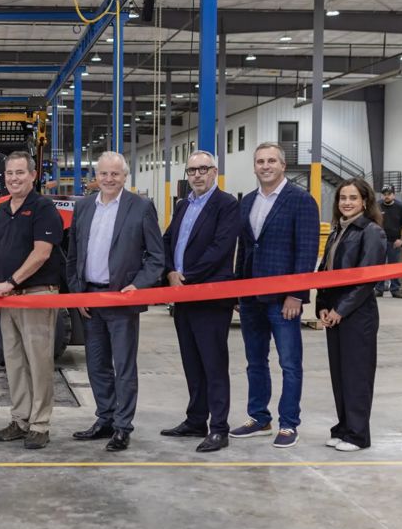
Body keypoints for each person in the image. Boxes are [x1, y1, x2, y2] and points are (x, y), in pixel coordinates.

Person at [66, 151, 164, 452]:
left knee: (123, 366)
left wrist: (138, 285)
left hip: (121, 301)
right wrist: (77, 293)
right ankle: (104, 418)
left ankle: (123, 426)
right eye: (104, 174)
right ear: (95, 177)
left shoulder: (141, 207)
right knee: (96, 365)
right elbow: (72, 257)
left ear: (125, 177)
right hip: (91, 299)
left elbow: (157, 258)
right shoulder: (83, 208)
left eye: (115, 174)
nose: (109, 179)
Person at [233, 142, 319, 448]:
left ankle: (288, 423)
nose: (265, 166)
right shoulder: (248, 202)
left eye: (271, 161)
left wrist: (296, 295)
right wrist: (238, 291)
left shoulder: (301, 200)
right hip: (251, 298)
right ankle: (259, 417)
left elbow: (306, 251)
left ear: (283, 166)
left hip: (284, 300)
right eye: (260, 161)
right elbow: (244, 249)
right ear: (254, 166)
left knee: (289, 363)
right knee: (255, 361)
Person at [160, 151, 240, 453]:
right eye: (192, 170)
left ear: (214, 172)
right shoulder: (183, 205)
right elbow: (168, 240)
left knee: (214, 364)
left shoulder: (226, 205)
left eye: (203, 169)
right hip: (182, 296)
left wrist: (188, 276)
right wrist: (170, 272)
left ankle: (219, 427)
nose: (197, 175)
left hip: (209, 297)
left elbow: (221, 248)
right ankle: (196, 419)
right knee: (192, 361)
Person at [0, 151, 64, 450]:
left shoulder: (44, 208)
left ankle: (40, 424)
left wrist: (11, 282)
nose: (14, 178)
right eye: (10, 173)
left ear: (33, 175)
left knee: (39, 361)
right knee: (15, 362)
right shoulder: (1, 210)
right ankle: (20, 419)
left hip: (36, 295)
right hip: (8, 299)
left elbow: (42, 253)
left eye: (20, 172)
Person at [316, 178, 386, 452]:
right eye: (342, 198)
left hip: (357, 315)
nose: (346, 202)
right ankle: (343, 427)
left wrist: (340, 310)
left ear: (365, 202)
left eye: (353, 198)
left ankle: (358, 434)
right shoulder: (338, 230)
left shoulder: (371, 232)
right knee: (340, 375)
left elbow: (367, 280)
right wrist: (322, 303)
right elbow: (325, 270)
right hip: (333, 312)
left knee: (356, 375)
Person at [375, 185, 402, 299]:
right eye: (384, 194)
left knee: (394, 266)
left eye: (389, 194)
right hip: (379, 242)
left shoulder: (400, 207)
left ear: (393, 194)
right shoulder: (377, 206)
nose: (386, 196)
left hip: (394, 242)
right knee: (379, 266)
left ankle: (395, 289)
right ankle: (378, 288)